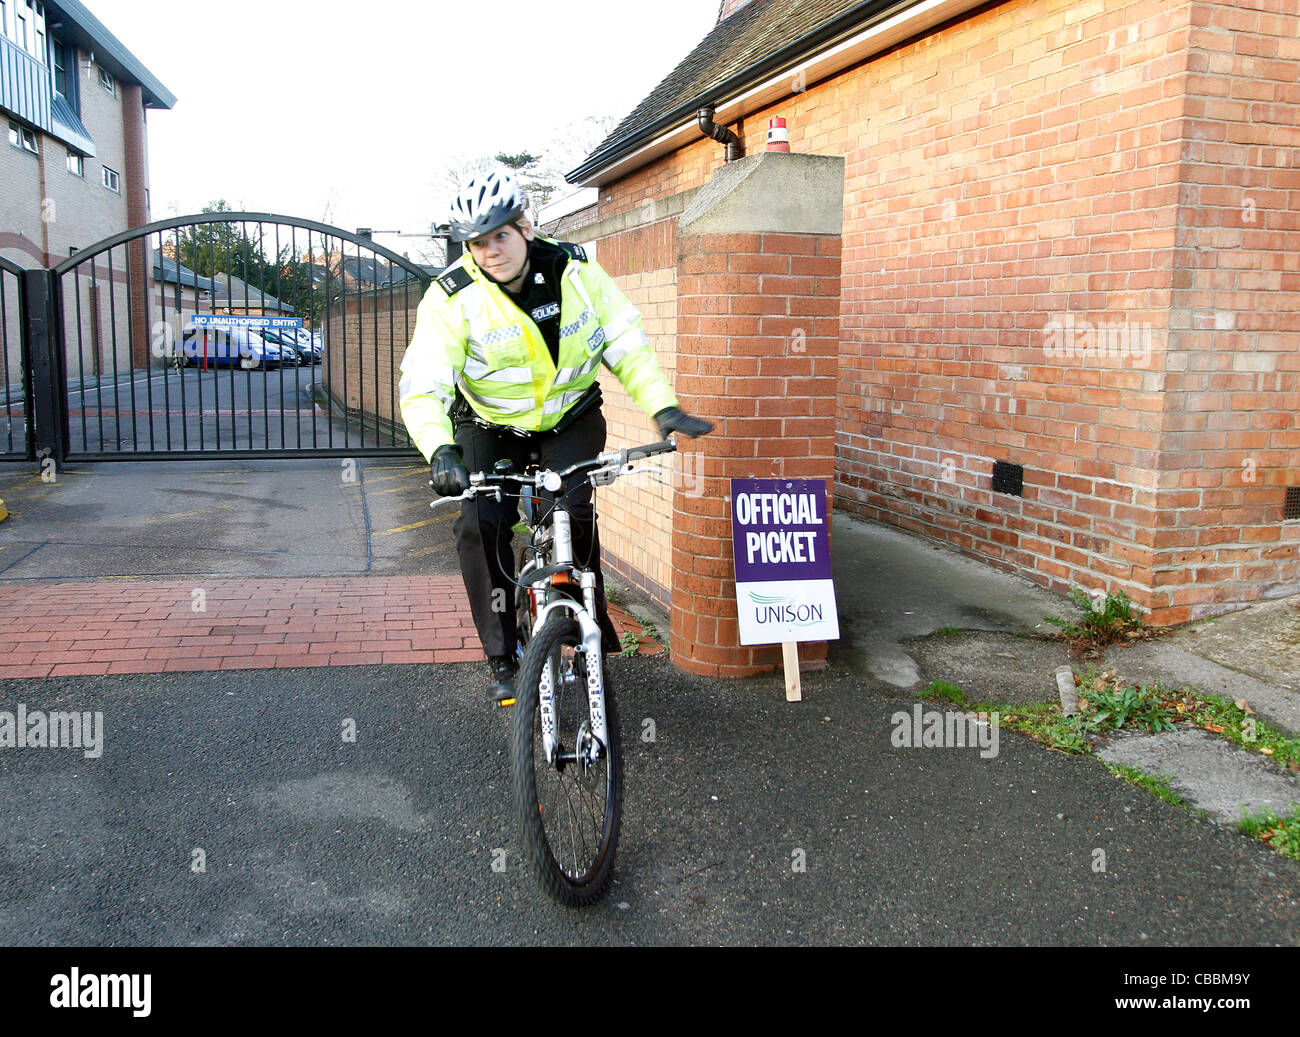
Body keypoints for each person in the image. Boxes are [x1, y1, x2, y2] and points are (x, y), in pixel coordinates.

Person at [399, 168, 712, 704]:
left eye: (500, 235)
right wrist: (440, 449)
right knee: (478, 523)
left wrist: (662, 406)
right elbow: (422, 382)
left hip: (570, 418)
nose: (490, 250)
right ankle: (501, 653)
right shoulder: (452, 295)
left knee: (571, 506)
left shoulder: (576, 270)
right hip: (488, 427)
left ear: (524, 226)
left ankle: (586, 618)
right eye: (477, 242)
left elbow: (624, 342)